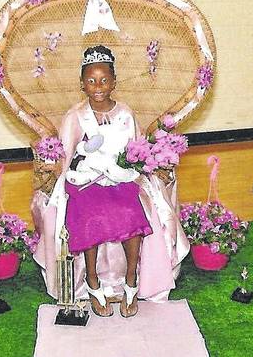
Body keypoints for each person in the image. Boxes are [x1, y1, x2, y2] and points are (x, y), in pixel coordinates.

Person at [32, 45, 189, 318]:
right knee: (89, 215)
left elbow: (136, 152)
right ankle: (92, 282)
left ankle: (131, 280)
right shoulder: (75, 116)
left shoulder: (125, 113)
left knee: (131, 213)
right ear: (82, 84)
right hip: (85, 181)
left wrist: (132, 168)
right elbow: (67, 158)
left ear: (114, 82)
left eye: (104, 80)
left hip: (121, 179)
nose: (98, 87)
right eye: (91, 81)